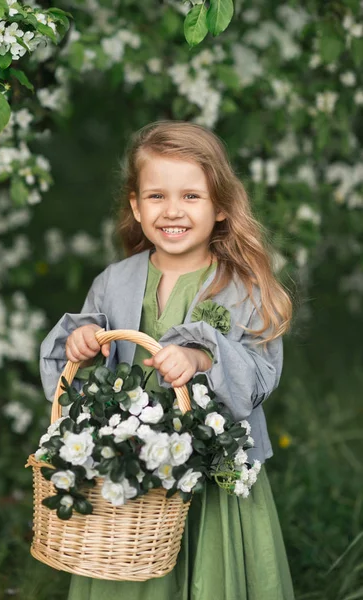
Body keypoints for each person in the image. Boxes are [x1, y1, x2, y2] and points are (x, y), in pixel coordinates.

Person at [40, 120, 295, 600]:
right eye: (156, 196)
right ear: (136, 206)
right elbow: (81, 373)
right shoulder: (114, 280)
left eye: (191, 197)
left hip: (213, 474)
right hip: (132, 475)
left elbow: (262, 376)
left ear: (220, 206)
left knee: (210, 570)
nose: (172, 211)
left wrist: (202, 358)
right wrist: (84, 342)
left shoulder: (240, 287)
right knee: (132, 573)